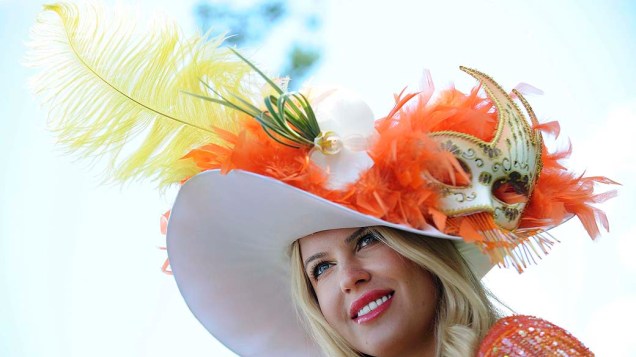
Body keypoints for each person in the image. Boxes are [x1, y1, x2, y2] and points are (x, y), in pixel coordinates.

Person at [29, 2, 615, 356]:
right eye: (321, 269)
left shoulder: (512, 348)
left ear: (425, 253)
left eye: (365, 240)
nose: (349, 278)